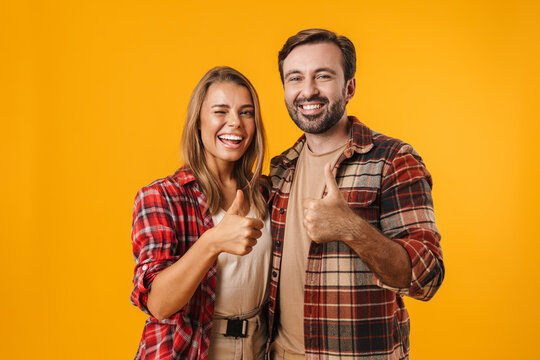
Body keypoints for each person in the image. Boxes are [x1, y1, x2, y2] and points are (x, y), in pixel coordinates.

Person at [266, 29, 445, 359]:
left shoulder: (393, 160)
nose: (308, 90)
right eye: (295, 78)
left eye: (323, 76)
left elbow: (428, 275)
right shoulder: (280, 170)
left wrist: (351, 229)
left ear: (349, 87)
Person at [130, 66, 271, 360]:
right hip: (191, 349)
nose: (235, 122)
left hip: (258, 347)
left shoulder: (267, 192)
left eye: (246, 113)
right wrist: (212, 242)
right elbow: (159, 304)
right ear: (198, 121)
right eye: (221, 111)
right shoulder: (161, 196)